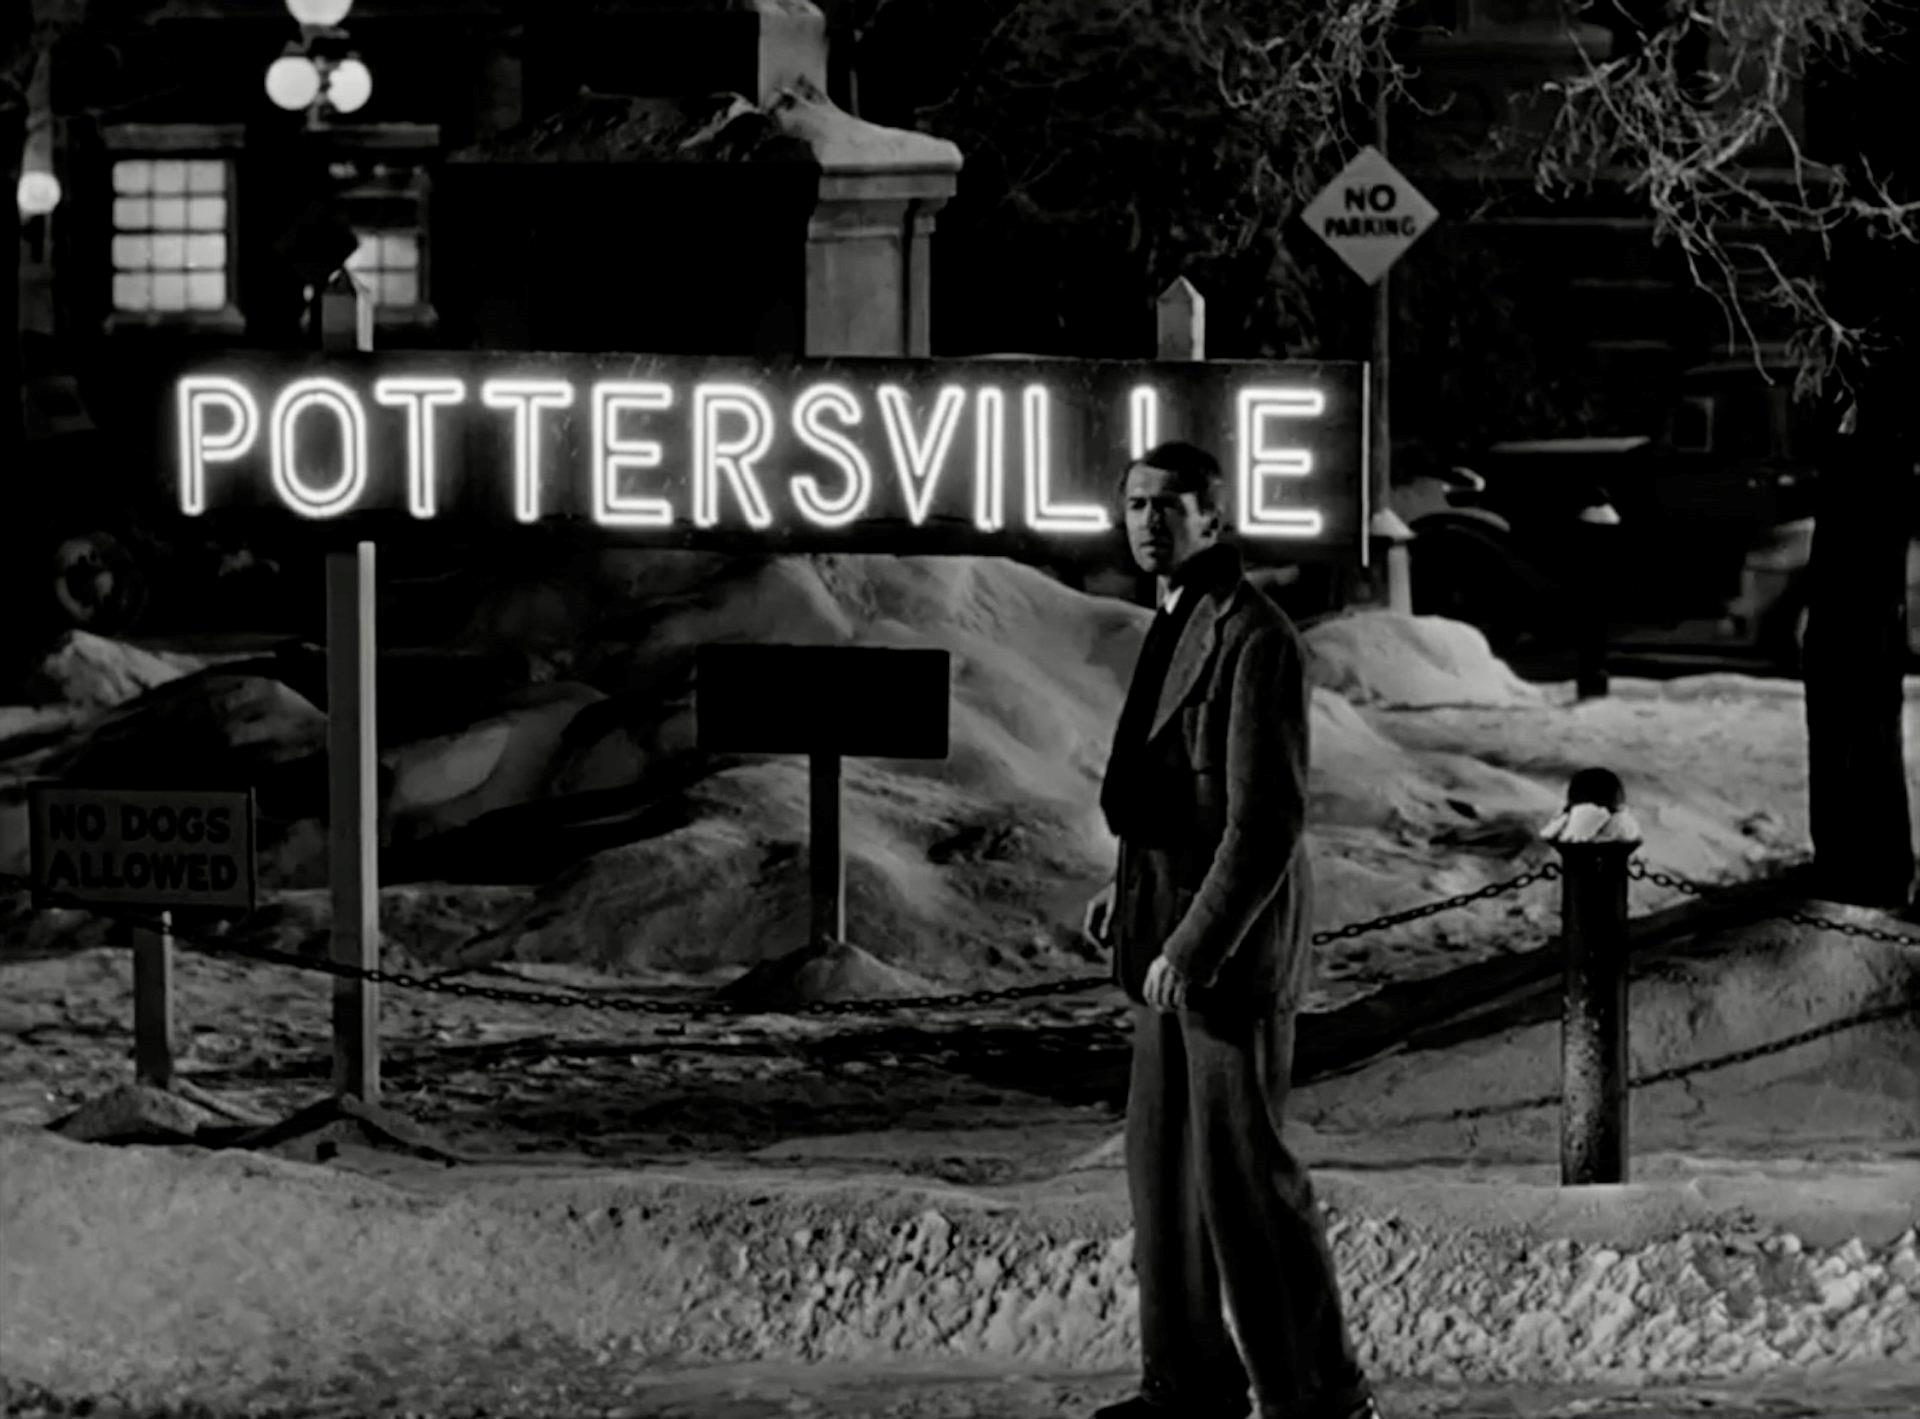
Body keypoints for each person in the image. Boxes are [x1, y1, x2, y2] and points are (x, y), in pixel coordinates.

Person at [1083, 441, 1380, 1419]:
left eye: (1169, 505)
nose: (1147, 521)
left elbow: (1263, 824)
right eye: (1135, 503)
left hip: (1226, 959)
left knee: (1249, 1187)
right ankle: (1187, 1385)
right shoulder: (1174, 621)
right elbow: (1165, 792)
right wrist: (1126, 898)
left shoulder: (1256, 638)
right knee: (1165, 1180)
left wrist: (1193, 942)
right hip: (1164, 946)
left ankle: (1320, 1397)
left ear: (1213, 518)